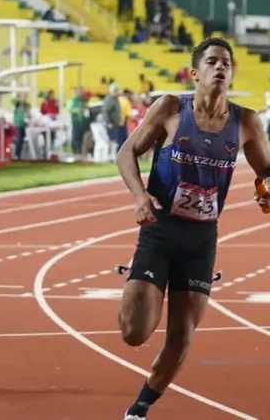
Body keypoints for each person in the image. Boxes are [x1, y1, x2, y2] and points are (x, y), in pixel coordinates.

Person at [115, 37, 270, 420]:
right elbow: (126, 152)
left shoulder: (246, 121)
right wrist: (139, 197)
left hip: (202, 239)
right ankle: (138, 279)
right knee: (134, 332)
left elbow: (267, 170)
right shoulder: (170, 108)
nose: (221, 68)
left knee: (181, 337)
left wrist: (266, 191)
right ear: (195, 72)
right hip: (161, 229)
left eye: (227, 63)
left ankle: (138, 410)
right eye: (213, 61)